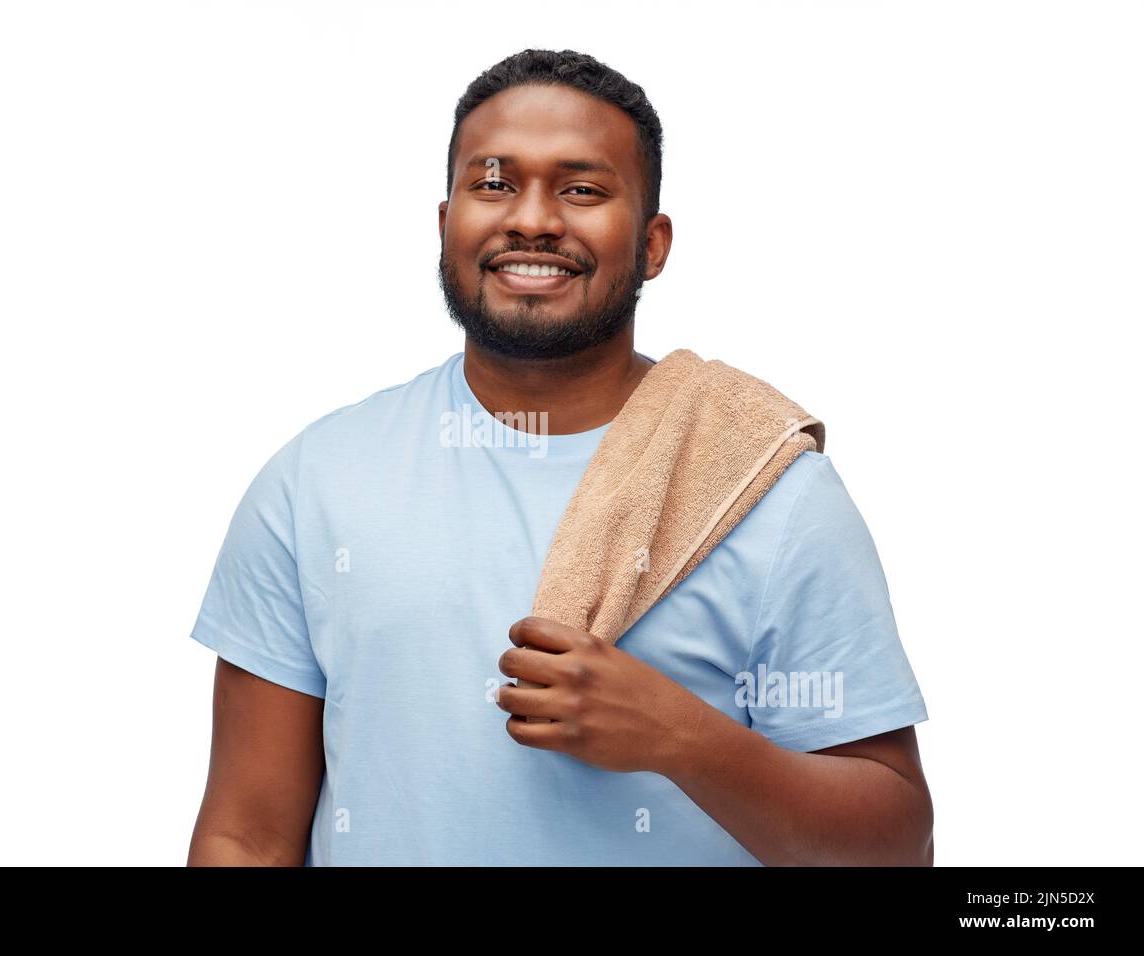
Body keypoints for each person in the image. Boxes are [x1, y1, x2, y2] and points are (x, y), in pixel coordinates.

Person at [186, 48, 932, 866]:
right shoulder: (315, 483)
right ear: (445, 226)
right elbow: (246, 836)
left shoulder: (768, 492)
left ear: (652, 244)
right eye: (494, 184)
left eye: (581, 189)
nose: (533, 218)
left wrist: (680, 736)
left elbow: (896, 848)